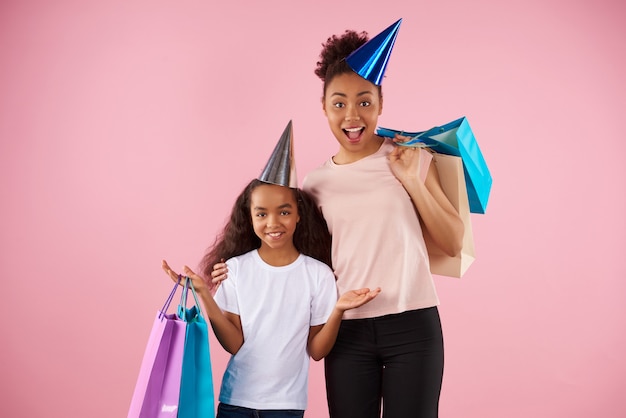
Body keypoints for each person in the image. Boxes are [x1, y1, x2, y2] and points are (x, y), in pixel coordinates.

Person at [212, 20, 464, 418]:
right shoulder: (315, 184)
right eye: (339, 102)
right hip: (346, 331)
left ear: (380, 104)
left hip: (413, 325)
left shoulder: (413, 158)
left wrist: (411, 179)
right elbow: (286, 245)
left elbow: (452, 242)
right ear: (324, 107)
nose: (352, 115)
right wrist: (232, 270)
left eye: (365, 101)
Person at [163, 121, 380, 418]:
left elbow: (317, 351)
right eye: (261, 214)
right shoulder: (236, 270)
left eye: (284, 212)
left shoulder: (317, 274)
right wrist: (204, 294)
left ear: (299, 215)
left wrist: (339, 310)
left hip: (286, 408)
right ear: (250, 217)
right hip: (235, 403)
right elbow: (234, 344)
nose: (273, 223)